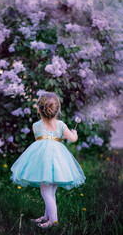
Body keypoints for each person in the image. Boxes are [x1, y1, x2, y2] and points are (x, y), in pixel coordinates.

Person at [10, 91, 86, 229]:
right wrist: (74, 133)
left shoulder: (36, 126)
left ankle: (53, 221)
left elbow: (41, 140)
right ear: (57, 110)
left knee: (46, 192)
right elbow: (72, 139)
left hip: (43, 162)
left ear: (39, 110)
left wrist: (55, 136)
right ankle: (46, 216)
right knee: (51, 193)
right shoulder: (61, 125)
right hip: (58, 162)